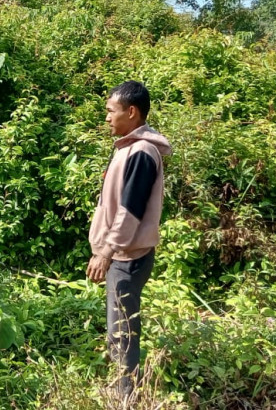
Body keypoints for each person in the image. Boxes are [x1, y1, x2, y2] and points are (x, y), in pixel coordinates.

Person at [85, 80, 172, 398]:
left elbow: (130, 211)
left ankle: (127, 398)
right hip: (123, 255)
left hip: (126, 258)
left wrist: (107, 251)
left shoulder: (141, 152)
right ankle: (122, 389)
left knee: (122, 332)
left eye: (111, 111)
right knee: (119, 329)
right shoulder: (131, 148)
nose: (107, 118)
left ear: (131, 112)